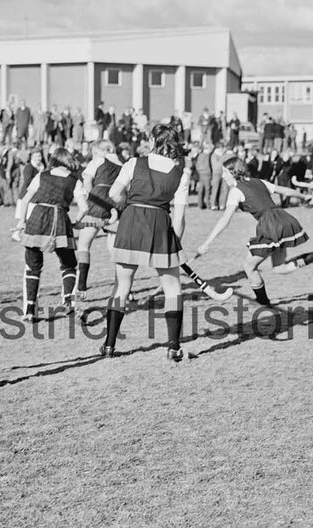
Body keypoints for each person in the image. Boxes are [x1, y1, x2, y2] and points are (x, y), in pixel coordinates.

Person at [100, 124, 191, 361]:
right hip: (160, 224)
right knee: (172, 287)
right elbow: (180, 218)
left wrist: (127, 203)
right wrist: (175, 242)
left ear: (153, 141)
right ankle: (173, 346)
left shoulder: (133, 163)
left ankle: (109, 345)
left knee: (122, 285)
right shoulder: (181, 173)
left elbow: (113, 193)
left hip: (131, 221)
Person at [196, 156, 313, 307]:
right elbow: (284, 190)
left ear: (233, 172)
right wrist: (303, 196)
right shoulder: (259, 182)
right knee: (280, 268)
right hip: (282, 219)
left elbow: (225, 219)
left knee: (249, 267)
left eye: (225, 172)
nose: (223, 176)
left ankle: (263, 302)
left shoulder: (236, 192)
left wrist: (207, 243)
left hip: (271, 226)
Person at [12, 147, 87, 321]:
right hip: (60, 220)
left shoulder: (42, 175)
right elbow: (84, 207)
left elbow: (25, 199)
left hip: (37, 219)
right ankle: (68, 302)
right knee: (69, 264)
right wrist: (77, 221)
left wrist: (22, 221)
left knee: (33, 266)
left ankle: (30, 310)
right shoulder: (74, 180)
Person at [75, 140, 125, 298]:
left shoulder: (99, 161)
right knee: (114, 251)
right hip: (116, 205)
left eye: (95, 152)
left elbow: (87, 179)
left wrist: (91, 196)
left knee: (84, 245)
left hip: (97, 203)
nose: (93, 155)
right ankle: (123, 287)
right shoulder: (123, 164)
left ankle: (81, 286)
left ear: (105, 150)